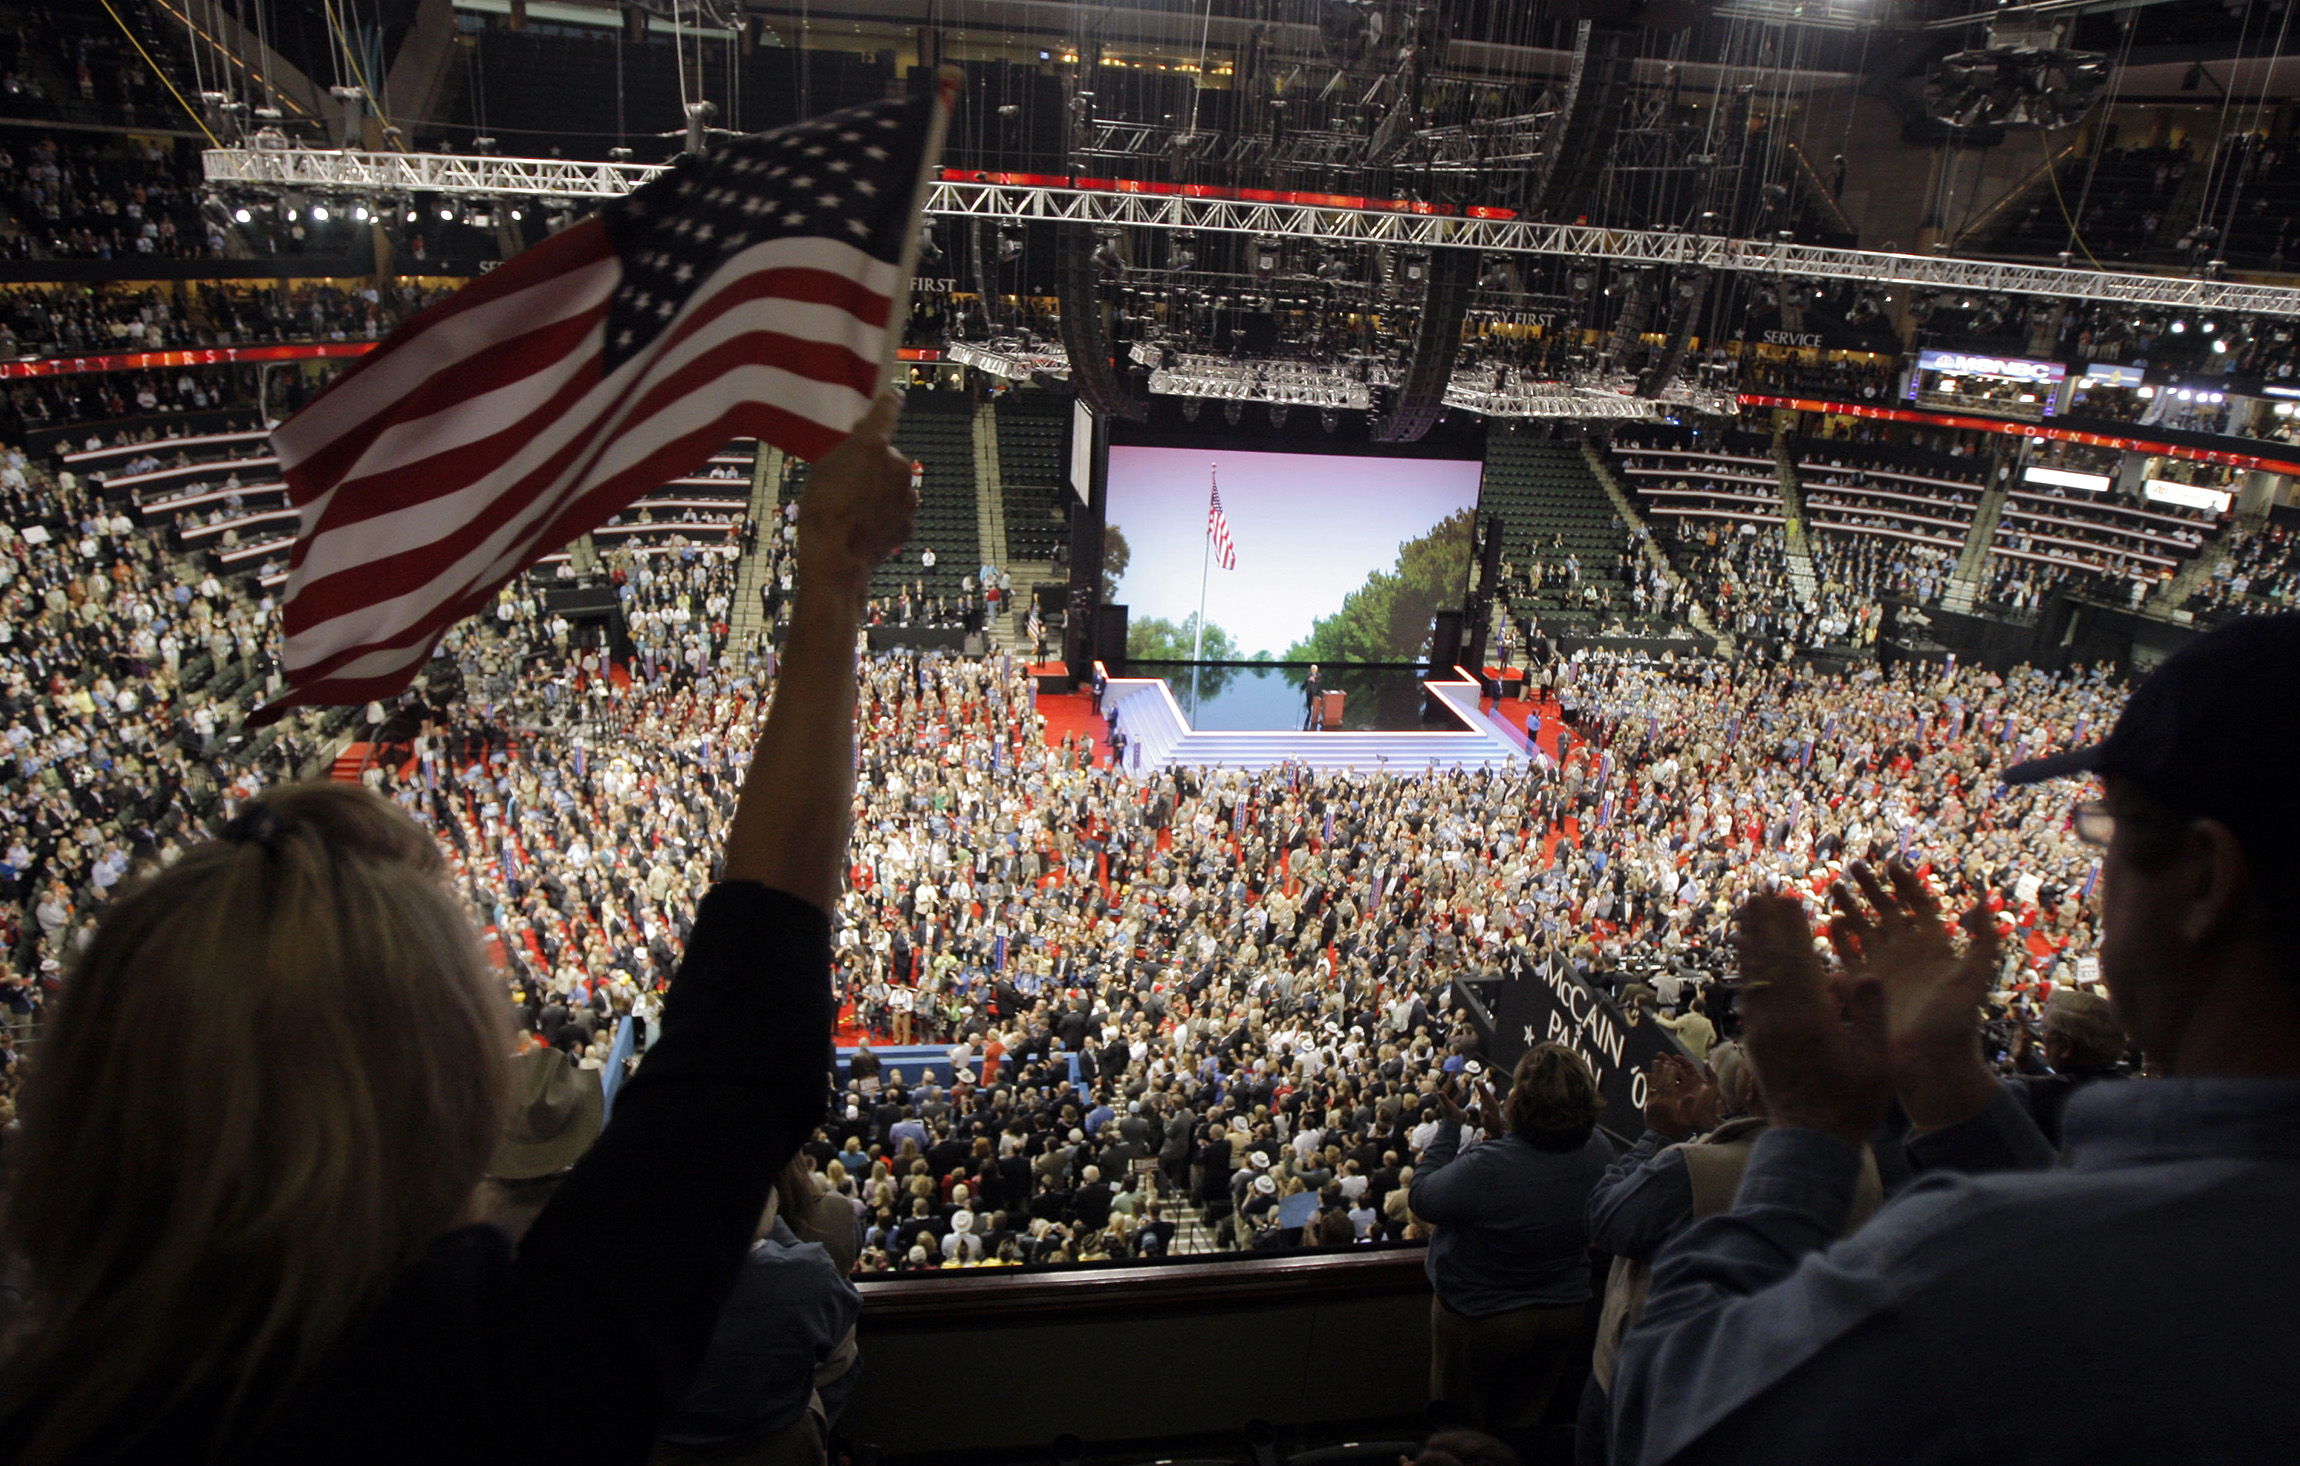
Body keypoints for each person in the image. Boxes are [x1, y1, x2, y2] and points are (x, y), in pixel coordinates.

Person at [0, 390, 918, 1466]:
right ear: (433, 1109)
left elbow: (741, 1043)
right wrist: (831, 585)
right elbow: (745, 1037)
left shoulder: (46, 1405)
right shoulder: (502, 1390)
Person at [1609, 614, 2300, 1466]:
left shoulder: (1956, 1277)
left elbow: (1668, 1411)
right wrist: (1946, 1080)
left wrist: (1810, 1130)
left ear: (2202, 880)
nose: (2097, 871)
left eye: (2111, 832)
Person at [1410, 1043, 1615, 1436]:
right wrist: (1501, 1133)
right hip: (1564, 1311)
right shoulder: (1600, 1150)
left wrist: (1450, 1127)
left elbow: (1423, 1198)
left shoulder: (1487, 1168)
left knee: (1459, 1429)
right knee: (1524, 1425)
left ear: (1521, 1101)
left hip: (1483, 1319)